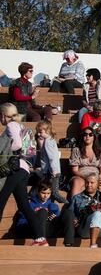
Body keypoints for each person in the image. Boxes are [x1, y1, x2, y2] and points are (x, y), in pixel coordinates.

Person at [0, 103, 49, 246]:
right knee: (23, 205)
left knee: (1, 200)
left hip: (15, 169)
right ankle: (40, 238)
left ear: (3, 115)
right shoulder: (20, 126)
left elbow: (18, 144)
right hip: (24, 169)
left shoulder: (11, 126)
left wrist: (6, 151)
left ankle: (40, 237)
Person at [69, 128, 101, 197]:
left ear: (94, 137)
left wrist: (98, 177)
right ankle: (74, 205)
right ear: (82, 137)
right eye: (85, 134)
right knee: (77, 182)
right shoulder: (76, 150)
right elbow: (75, 170)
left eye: (90, 134)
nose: (87, 136)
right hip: (81, 175)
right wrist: (87, 177)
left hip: (96, 175)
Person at [32, 120, 66, 203]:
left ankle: (66, 203)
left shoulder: (48, 142)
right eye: (38, 132)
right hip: (49, 170)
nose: (39, 134)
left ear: (47, 131)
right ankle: (31, 197)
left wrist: (53, 169)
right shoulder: (50, 140)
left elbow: (52, 157)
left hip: (52, 171)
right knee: (41, 184)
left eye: (40, 132)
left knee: (54, 192)